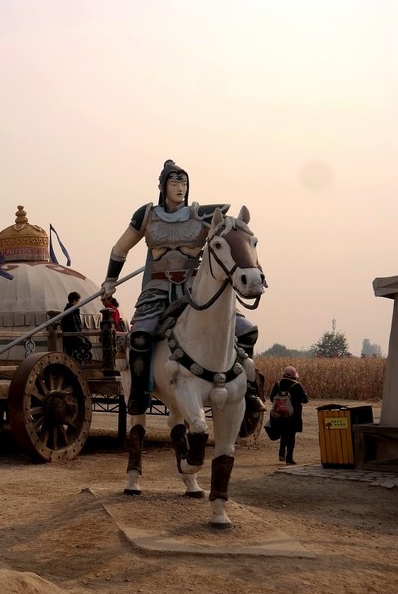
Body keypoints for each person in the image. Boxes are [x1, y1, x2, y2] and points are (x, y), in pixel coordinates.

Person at [101, 159, 264, 415]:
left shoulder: (204, 215)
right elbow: (119, 250)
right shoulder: (146, 215)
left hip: (194, 288)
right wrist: (111, 279)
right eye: (175, 182)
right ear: (162, 186)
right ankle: (139, 393)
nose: (181, 187)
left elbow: (233, 235)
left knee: (246, 332)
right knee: (141, 336)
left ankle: (249, 389)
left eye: (184, 182)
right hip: (157, 287)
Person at [268, 365, 310, 465]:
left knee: (283, 433)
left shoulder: (278, 384)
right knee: (291, 436)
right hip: (292, 416)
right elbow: (305, 400)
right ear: (293, 376)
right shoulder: (296, 385)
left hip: (279, 415)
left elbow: (271, 398)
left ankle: (281, 453)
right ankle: (289, 458)